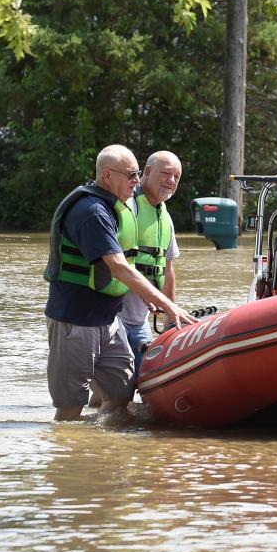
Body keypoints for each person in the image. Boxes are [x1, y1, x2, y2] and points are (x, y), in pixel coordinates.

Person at [43, 144, 197, 421]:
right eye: (130, 175)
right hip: (76, 319)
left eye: (137, 174)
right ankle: (70, 461)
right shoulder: (92, 212)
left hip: (107, 318)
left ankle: (109, 454)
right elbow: (119, 267)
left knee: (120, 394)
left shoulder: (118, 209)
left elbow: (155, 267)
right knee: (70, 408)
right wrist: (169, 307)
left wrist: (156, 300)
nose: (136, 181)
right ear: (106, 176)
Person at [116, 150, 183, 378]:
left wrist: (170, 320)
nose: (171, 180)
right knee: (115, 389)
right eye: (166, 173)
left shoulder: (165, 217)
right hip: (112, 316)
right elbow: (113, 261)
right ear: (147, 172)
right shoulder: (125, 206)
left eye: (177, 176)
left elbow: (167, 269)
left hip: (139, 319)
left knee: (144, 383)